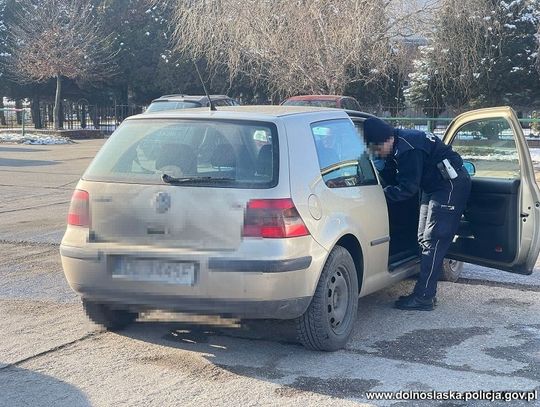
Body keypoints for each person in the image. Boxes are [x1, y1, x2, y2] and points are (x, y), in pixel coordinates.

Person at [363, 117, 471, 311]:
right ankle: (425, 292)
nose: (377, 155)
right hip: (431, 186)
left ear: (386, 140)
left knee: (433, 240)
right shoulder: (395, 144)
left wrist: (377, 196)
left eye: (378, 150)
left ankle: (424, 297)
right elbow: (396, 177)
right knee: (422, 237)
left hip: (449, 186)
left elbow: (407, 188)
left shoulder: (408, 148)